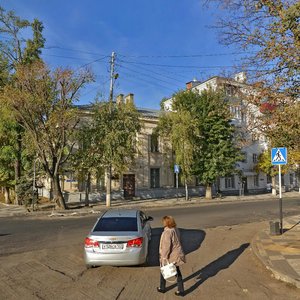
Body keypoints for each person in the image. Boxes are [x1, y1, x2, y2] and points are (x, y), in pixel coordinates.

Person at [157, 215, 186, 296]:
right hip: (177, 254)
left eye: (164, 221)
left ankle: (162, 288)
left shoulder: (167, 232)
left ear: (167, 222)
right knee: (177, 272)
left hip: (171, 255)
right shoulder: (175, 229)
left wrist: (163, 257)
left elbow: (166, 246)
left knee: (163, 270)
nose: (162, 223)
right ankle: (181, 290)